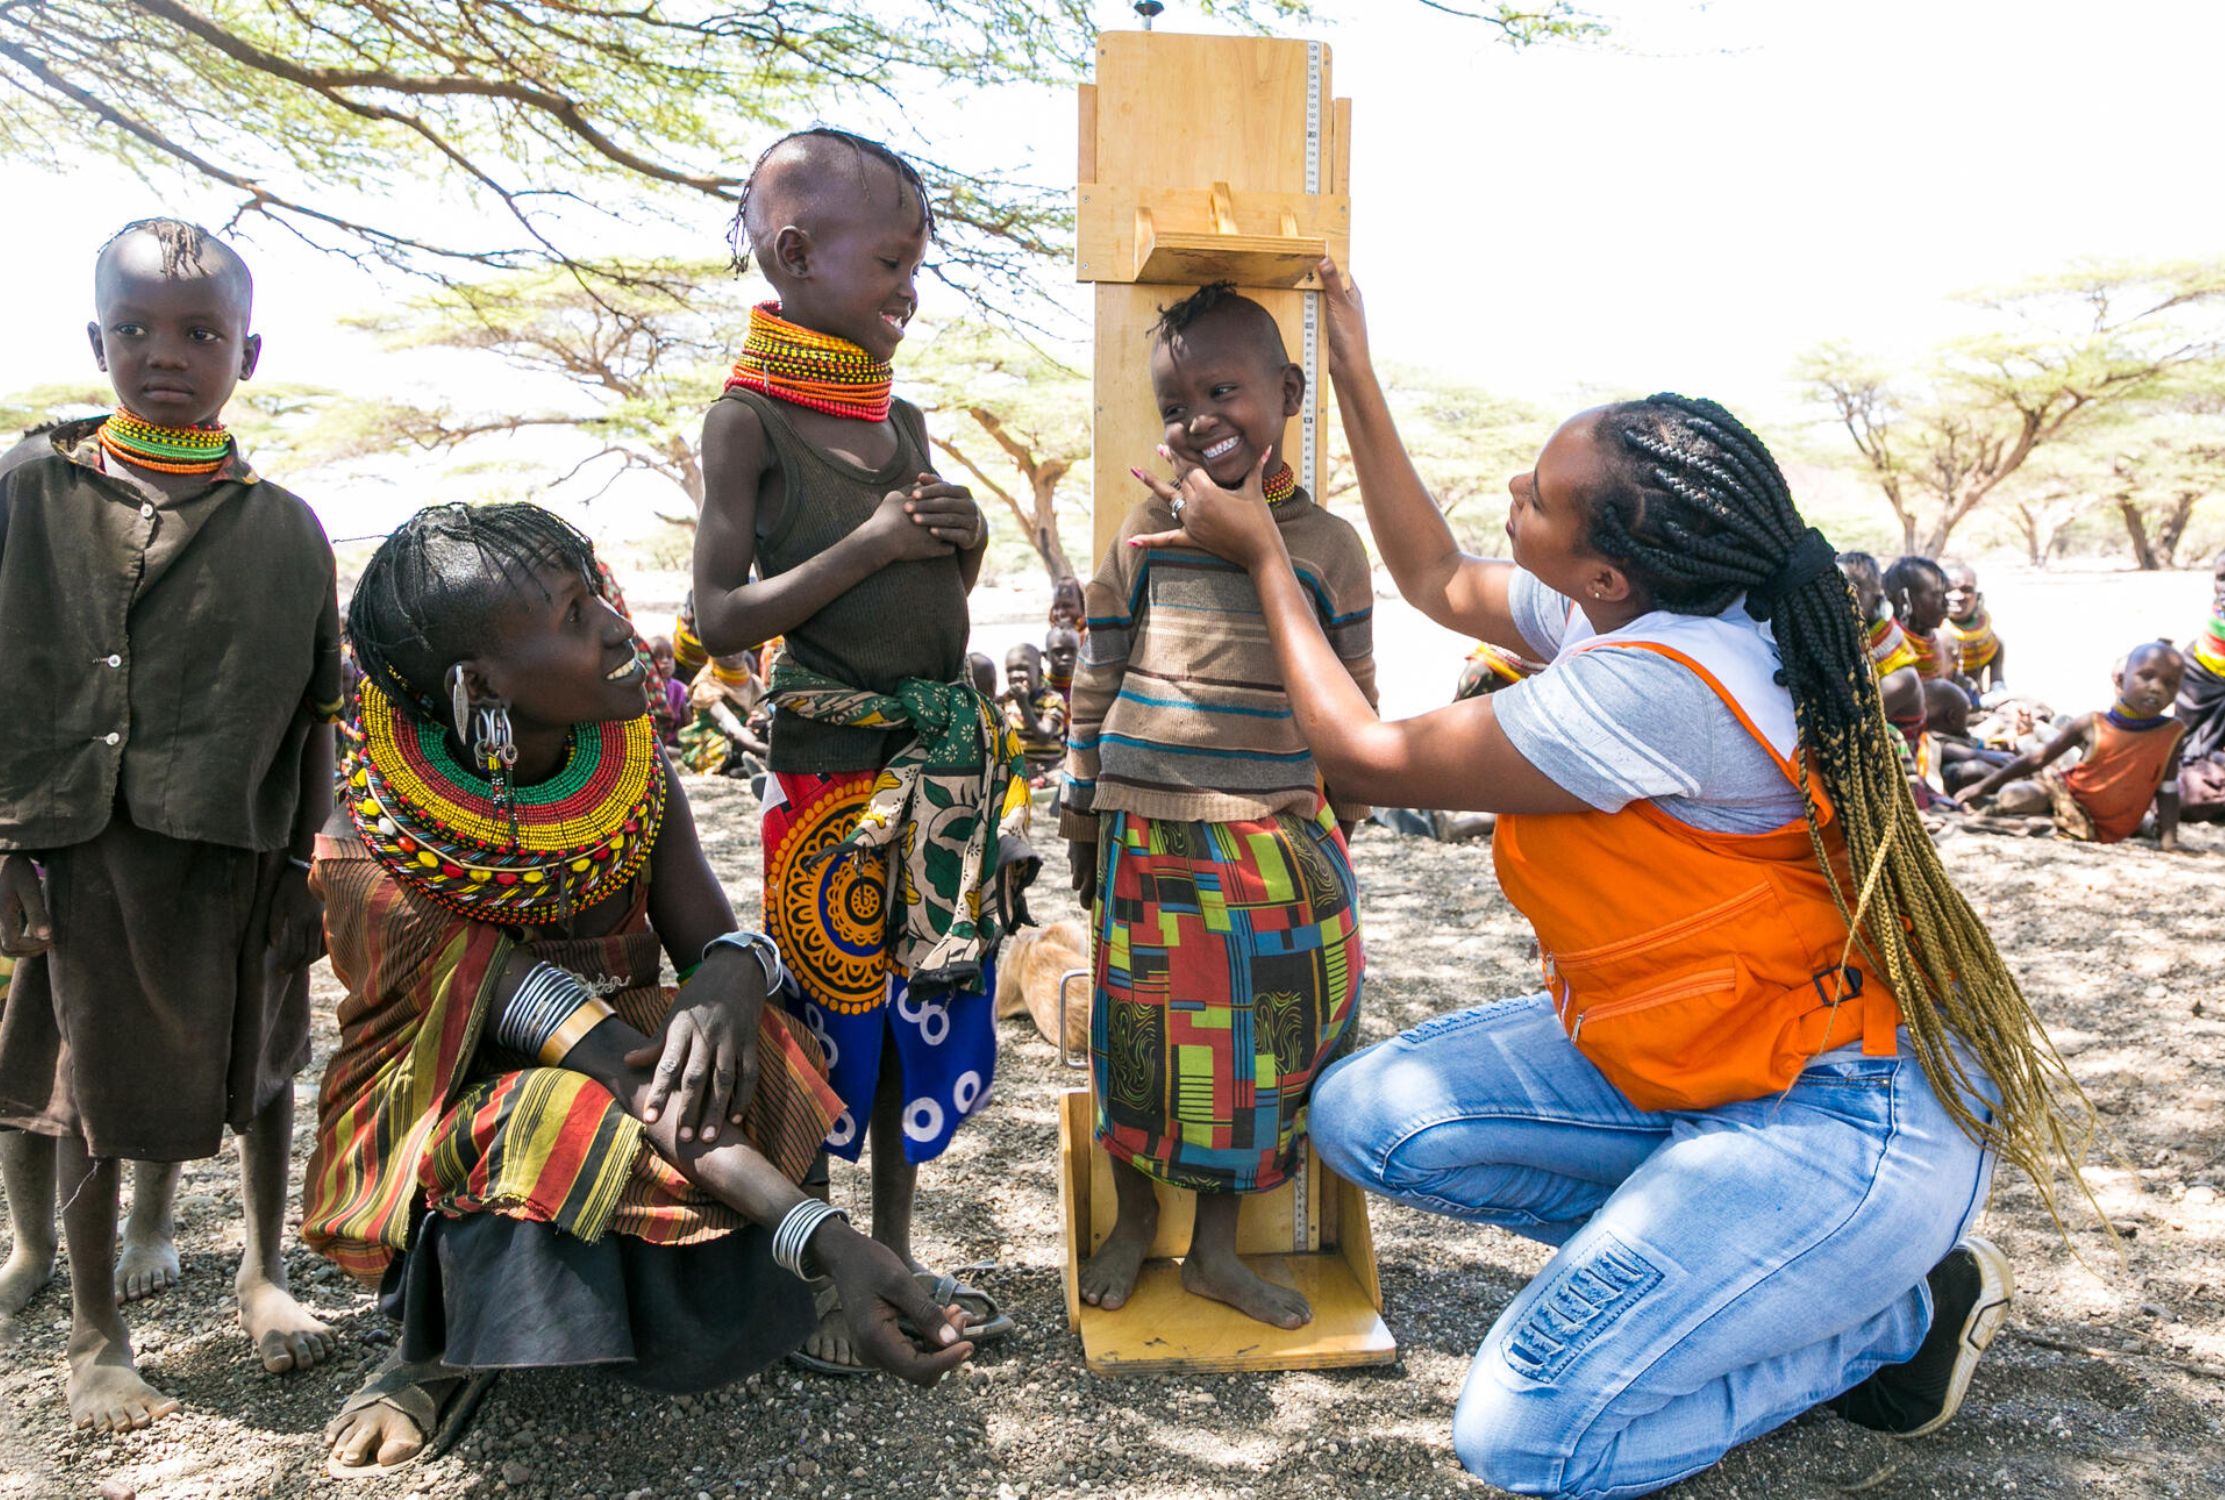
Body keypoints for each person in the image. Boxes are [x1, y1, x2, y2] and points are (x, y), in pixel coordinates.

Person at [1136, 253, 2099, 1497]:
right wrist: (1355, 374)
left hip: (1846, 1114)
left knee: (1527, 1440)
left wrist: (1266, 559)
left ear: (1602, 573)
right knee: (1369, 1114)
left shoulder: (1657, 688)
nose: (1511, 495)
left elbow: (1361, 754)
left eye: (1536, 498)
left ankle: (1886, 1315)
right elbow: (1435, 579)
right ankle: (1734, 1261)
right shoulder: (1669, 602)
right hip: (1725, 1058)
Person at [311, 504, 976, 1474]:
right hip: (460, 1094)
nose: (621, 626)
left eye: (599, 593)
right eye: (575, 614)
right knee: (555, 1118)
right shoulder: (377, 848)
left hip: (620, 1057)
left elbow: (714, 940)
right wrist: (831, 1237)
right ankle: (433, 1347)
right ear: (480, 685)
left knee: (768, 1042)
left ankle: (789, 1293)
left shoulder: (625, 768)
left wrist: (732, 976)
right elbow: (619, 1073)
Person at [0, 220, 343, 1433]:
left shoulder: (287, 528)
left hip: (239, 849)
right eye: (135, 329)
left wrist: (313, 860)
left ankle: (262, 1272)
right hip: (74, 847)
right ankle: (97, 1334)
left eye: (200, 333)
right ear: (95, 340)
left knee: (262, 1068)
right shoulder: (27, 490)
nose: (165, 354)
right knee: (79, 1083)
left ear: (247, 354)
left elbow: (317, 715)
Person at [692, 127, 1018, 1371]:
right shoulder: (748, 424)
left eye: (914, 266)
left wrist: (960, 541)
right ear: (794, 254)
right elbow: (719, 618)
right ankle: (829, 1287)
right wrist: (873, 542)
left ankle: (898, 1248)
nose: (909, 291)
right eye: (890, 264)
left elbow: (924, 600)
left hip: (930, 775)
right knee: (831, 1023)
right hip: (826, 775)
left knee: (916, 1017)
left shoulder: (903, 423)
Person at [1064, 282, 1373, 1330]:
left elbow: (1356, 696)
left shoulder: (1327, 546)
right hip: (1145, 825)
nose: (1198, 421)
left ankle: (1213, 1253)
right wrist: (1079, 808)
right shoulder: (1145, 528)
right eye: (1175, 405)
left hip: (1270, 833)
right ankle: (1134, 1221)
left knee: (1257, 1054)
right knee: (1138, 1039)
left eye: (1223, 392)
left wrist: (1345, 814)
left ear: (1288, 391)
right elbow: (1097, 672)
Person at [1956, 642, 2187, 848]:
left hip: (2116, 822)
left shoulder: (2171, 733)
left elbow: (2168, 788)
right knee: (2014, 796)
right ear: (2120, 679)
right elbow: (2039, 759)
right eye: (2146, 676)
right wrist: (1983, 786)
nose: (2157, 688)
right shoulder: (2092, 723)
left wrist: (2169, 841)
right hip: (2067, 799)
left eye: (2169, 683)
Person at [2174, 551, 2225, 822]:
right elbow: (2186, 739)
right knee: (2190, 793)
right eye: (2222, 578)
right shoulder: (2192, 661)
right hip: (2204, 764)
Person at [1002, 641, 1068, 780]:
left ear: (1039, 672)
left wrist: (1023, 704)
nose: (1015, 675)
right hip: (1022, 771)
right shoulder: (1007, 703)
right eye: (1010, 670)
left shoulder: (1053, 700)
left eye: (1022, 668)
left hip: (1051, 769)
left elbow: (1044, 736)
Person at [1943, 559, 2008, 698]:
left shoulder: (1992, 644)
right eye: (1949, 589)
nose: (1957, 596)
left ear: (1978, 596)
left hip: (1977, 704)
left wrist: (2002, 698)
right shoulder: (1927, 640)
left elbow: (1998, 686)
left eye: (1966, 590)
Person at [1886, 554, 1954, 683]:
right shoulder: (1883, 649)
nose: (1946, 603)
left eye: (1945, 594)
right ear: (1904, 599)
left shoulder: (1944, 643)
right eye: (1937, 595)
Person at [647, 635, 690, 751]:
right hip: (650, 743)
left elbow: (688, 722)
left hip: (674, 744)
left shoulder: (679, 688)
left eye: (669, 657)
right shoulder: (644, 687)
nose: (666, 661)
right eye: (658, 657)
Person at [1044, 624, 1081, 708]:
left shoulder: (1087, 687)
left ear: (1081, 653)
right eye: (1058, 652)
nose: (1066, 657)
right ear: (1046, 656)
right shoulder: (1039, 687)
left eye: (1072, 651)